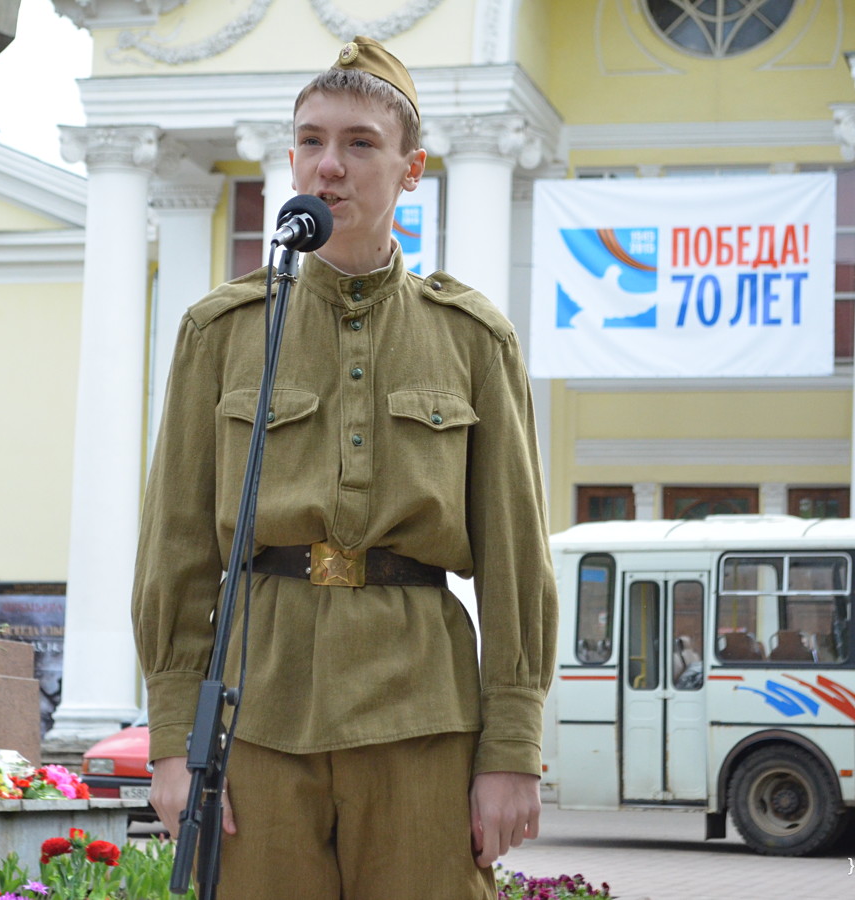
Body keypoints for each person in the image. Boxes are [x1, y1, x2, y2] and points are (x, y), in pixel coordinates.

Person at [132, 35, 558, 899]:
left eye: (361, 143)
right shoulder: (223, 332)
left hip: (422, 714)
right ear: (291, 159)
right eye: (312, 141)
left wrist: (512, 747)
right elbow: (176, 551)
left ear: (411, 170)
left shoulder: (471, 338)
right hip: (256, 713)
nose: (330, 165)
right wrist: (176, 742)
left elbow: (517, 556)